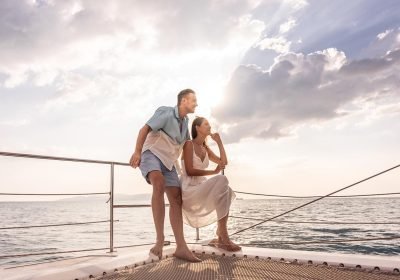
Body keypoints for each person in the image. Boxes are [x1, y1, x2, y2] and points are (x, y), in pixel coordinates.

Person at [129, 89, 201, 262]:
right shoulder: (166, 112)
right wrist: (137, 152)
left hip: (168, 161)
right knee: (158, 182)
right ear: (183, 100)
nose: (196, 103)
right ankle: (160, 240)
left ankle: (181, 247)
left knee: (176, 199)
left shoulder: (186, 121)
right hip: (151, 153)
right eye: (193, 100)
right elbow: (144, 129)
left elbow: (188, 145)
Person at [180, 117, 241, 252]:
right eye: (206, 124)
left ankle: (221, 236)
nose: (209, 127)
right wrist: (213, 172)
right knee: (222, 180)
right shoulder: (188, 144)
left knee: (227, 190)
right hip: (189, 190)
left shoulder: (205, 148)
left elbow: (223, 163)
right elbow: (189, 171)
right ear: (197, 128)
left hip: (202, 188)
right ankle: (223, 236)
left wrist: (219, 143)